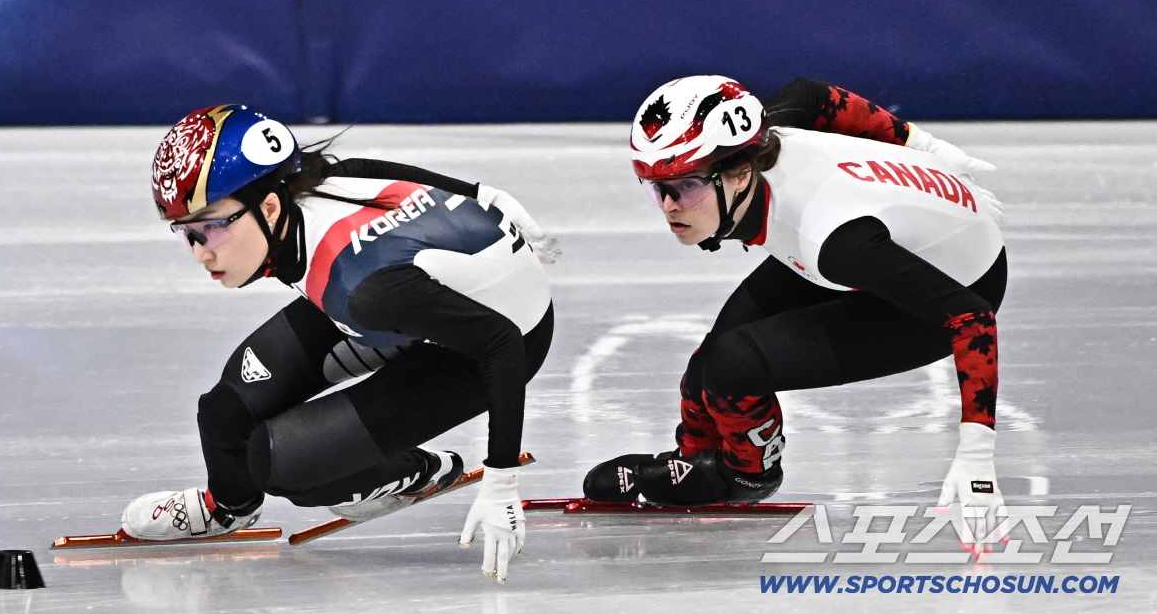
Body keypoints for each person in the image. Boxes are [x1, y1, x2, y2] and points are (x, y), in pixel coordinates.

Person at [123, 104, 557, 582]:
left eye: (212, 227)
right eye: (186, 234)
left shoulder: (361, 288)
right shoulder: (310, 187)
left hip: (487, 341)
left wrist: (500, 480)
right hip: (413, 298)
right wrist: (482, 194)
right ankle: (229, 507)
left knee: (284, 464)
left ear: (269, 207)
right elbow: (364, 171)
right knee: (225, 412)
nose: (200, 253)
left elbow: (499, 344)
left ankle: (415, 472)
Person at [584, 76, 1007, 556]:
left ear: (742, 173)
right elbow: (813, 95)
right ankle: (693, 462)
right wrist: (929, 147)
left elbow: (972, 317)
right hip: (891, 233)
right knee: (706, 369)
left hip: (958, 282)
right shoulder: (771, 132)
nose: (668, 207)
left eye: (686, 186)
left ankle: (744, 476)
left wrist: (977, 456)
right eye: (655, 187)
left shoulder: (834, 240)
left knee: (733, 364)